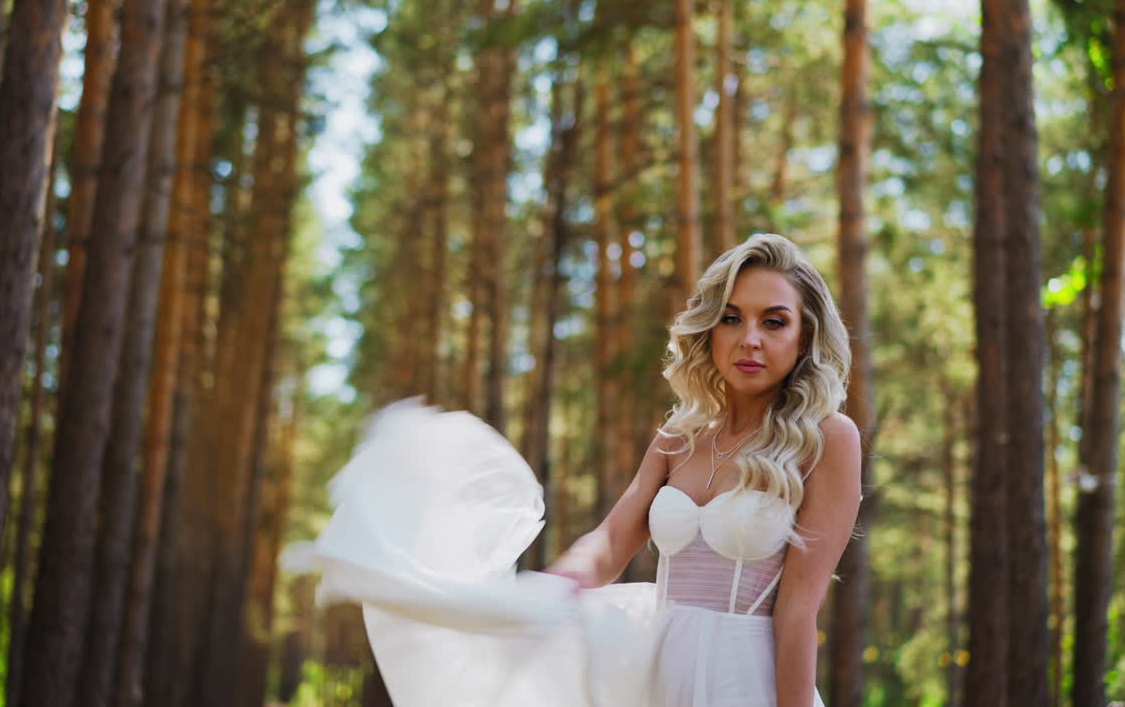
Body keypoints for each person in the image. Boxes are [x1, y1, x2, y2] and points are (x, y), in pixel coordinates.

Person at [284, 233, 861, 707]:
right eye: (732, 318)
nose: (750, 339)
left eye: (774, 322)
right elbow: (612, 541)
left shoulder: (827, 440)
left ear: (804, 335)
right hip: (652, 677)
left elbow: (797, 612)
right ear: (709, 329)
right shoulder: (677, 439)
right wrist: (555, 588)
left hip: (749, 684)